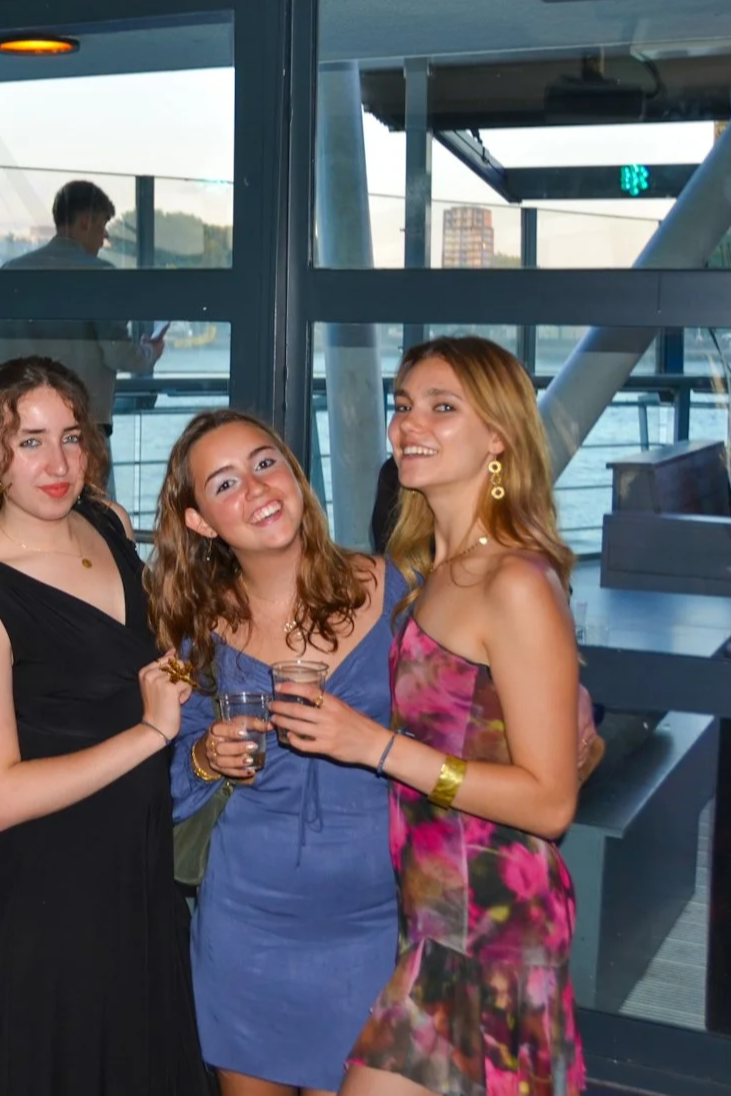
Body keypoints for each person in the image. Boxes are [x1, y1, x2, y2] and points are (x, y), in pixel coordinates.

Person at [272, 336, 586, 1096]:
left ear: (499, 437)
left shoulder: (513, 581)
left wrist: (376, 747)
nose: (409, 423)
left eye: (443, 408)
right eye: (404, 404)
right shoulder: (433, 577)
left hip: (494, 922)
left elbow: (550, 803)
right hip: (436, 916)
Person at [0, 355, 212, 1096]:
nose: (59, 464)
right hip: (36, 890)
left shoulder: (107, 524)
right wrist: (150, 733)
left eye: (72, 438)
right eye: (30, 441)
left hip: (130, 865)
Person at [148, 410, 402, 1096]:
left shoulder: (395, 594)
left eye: (265, 463)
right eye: (225, 483)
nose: (257, 488)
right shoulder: (197, 636)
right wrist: (206, 757)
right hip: (248, 929)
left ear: (294, 471)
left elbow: (464, 723)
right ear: (200, 521)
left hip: (380, 924)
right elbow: (157, 785)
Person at [0, 180, 168, 487]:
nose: (103, 240)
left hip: (16, 424)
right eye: (102, 228)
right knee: (91, 510)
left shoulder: (10, 272)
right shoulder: (101, 276)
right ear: (85, 221)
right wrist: (149, 352)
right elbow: (118, 352)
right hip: (81, 428)